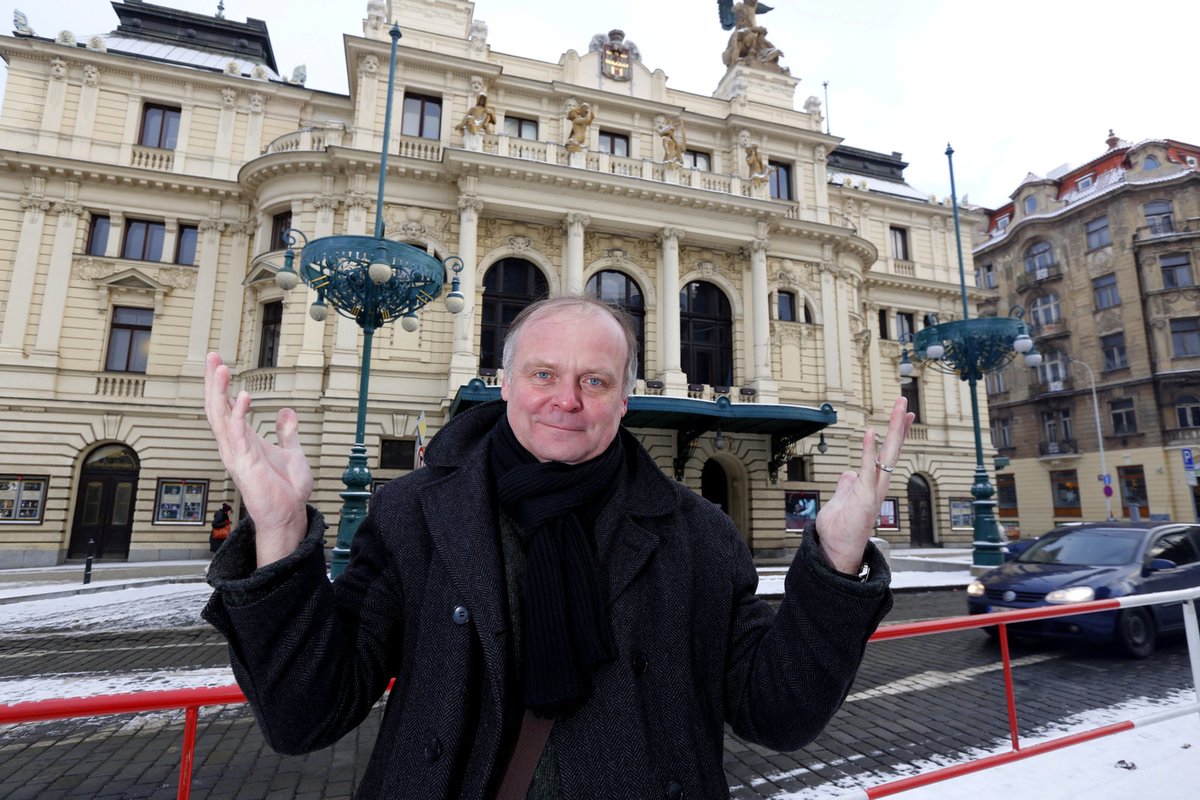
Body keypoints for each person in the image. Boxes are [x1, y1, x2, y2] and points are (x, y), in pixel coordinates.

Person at [201, 295, 913, 798]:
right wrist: (281, 536)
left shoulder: (696, 535)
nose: (565, 400)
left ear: (624, 398)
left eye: (594, 381)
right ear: (504, 382)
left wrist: (836, 565)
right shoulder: (414, 513)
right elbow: (305, 716)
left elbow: (778, 715)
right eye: (543, 374)